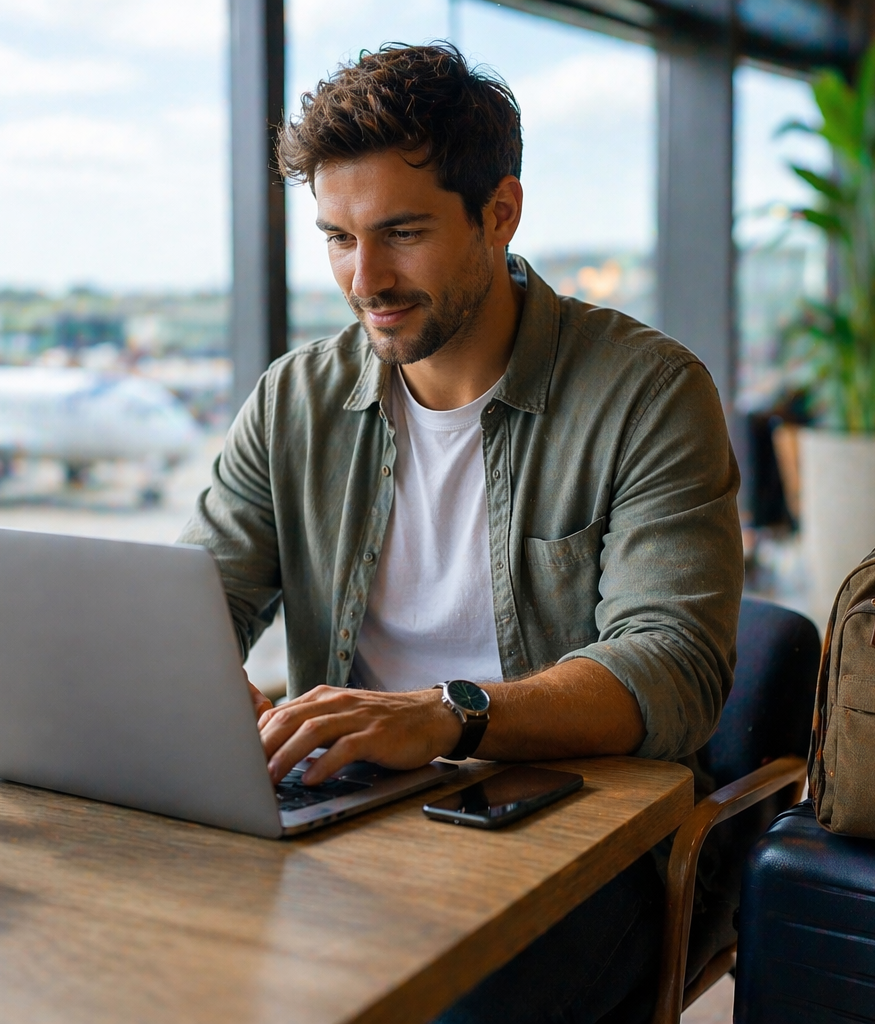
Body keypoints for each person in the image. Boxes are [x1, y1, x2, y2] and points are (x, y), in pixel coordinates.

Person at [178, 44, 741, 1023]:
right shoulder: (295, 400)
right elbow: (198, 600)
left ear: (500, 213)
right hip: (349, 818)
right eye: (339, 238)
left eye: (402, 232)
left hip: (572, 836)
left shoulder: (649, 394)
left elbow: (674, 667)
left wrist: (446, 715)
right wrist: (188, 677)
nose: (367, 279)